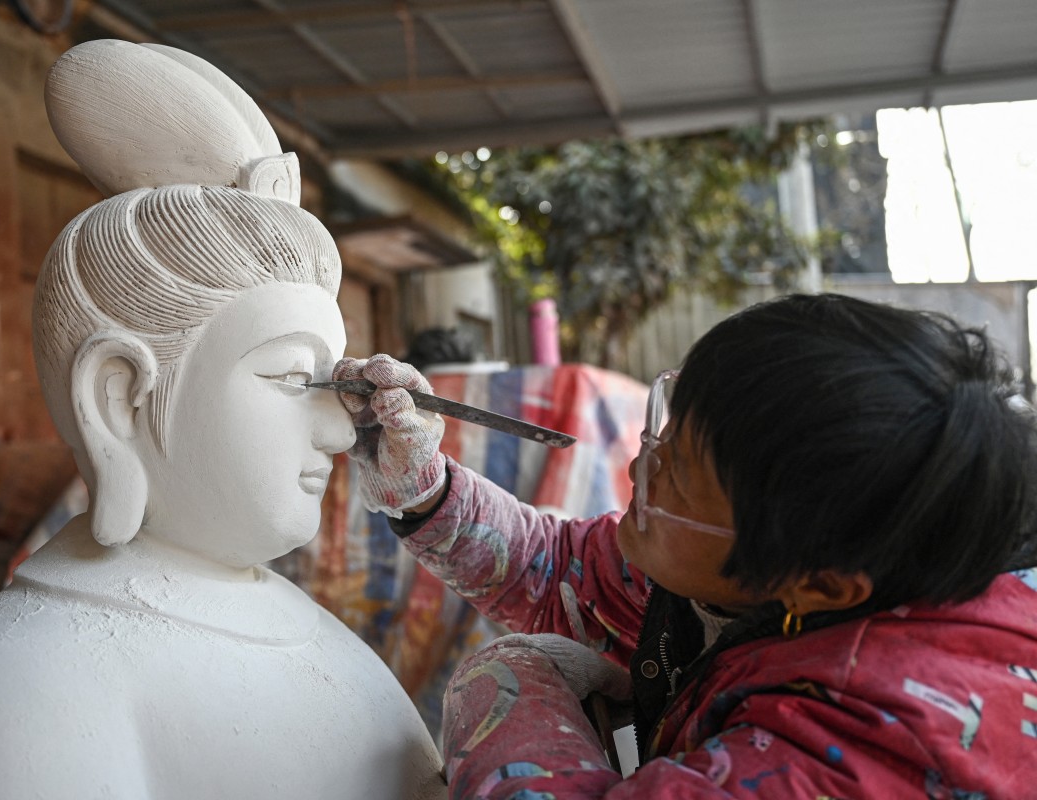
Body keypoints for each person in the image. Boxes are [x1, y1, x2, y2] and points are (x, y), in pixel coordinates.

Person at [0, 40, 443, 800]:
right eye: (291, 376)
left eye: (331, 382)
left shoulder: (301, 626)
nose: (339, 432)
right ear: (117, 398)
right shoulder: (9, 712)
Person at [334, 292, 1037, 798]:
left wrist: (512, 701)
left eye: (680, 473)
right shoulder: (758, 567)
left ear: (820, 586)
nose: (642, 468)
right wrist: (425, 488)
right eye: (663, 431)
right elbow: (560, 573)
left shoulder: (871, 749)